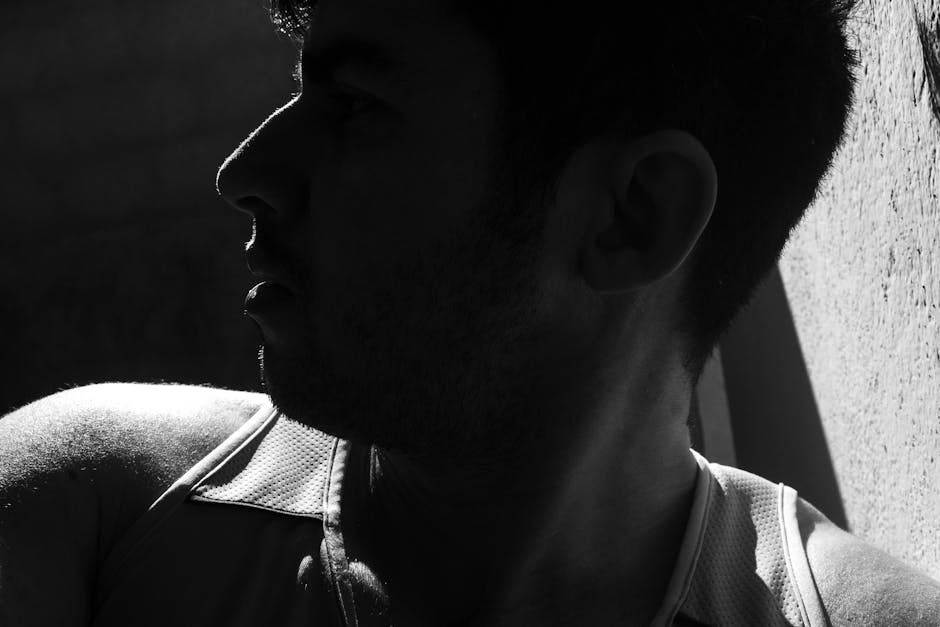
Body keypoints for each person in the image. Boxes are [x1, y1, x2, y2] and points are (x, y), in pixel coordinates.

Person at [2, 0, 939, 624]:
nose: (245, 173)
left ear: (631, 217)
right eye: (300, 86)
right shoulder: (93, 511)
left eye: (356, 105)